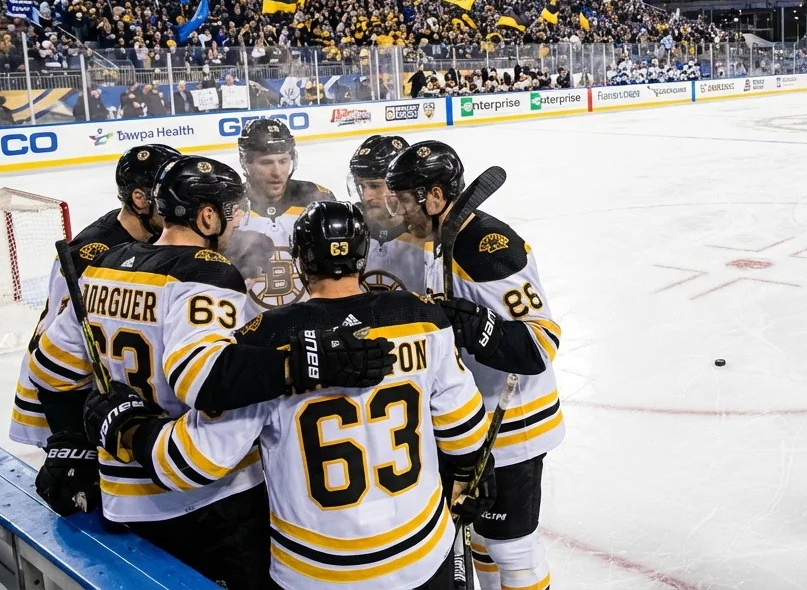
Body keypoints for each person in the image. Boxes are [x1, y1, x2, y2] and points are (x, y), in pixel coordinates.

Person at [82, 201, 492, 590]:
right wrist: (465, 480)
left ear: (298, 261)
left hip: (314, 571)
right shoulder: (421, 319)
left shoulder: (265, 341)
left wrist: (125, 425)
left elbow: (192, 462)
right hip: (424, 553)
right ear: (362, 256)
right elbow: (467, 434)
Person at [28, 157, 393, 586]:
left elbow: (48, 368)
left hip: (123, 495)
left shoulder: (104, 265)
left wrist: (95, 424)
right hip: (210, 501)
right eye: (232, 212)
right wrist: (303, 361)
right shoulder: (208, 273)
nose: (237, 223)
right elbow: (204, 378)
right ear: (207, 216)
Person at [386, 141, 561, 590]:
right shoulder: (444, 241)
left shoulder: (485, 244)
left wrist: (482, 328)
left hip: (515, 426)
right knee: (482, 542)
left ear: (436, 196)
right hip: (479, 424)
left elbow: (541, 342)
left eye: (406, 201)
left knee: (513, 552)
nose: (402, 213)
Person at [9, 144, 183, 448]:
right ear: (140, 200)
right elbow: (63, 346)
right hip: (63, 389)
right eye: (168, 194)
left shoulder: (148, 234)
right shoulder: (96, 252)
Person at [225, 119, 334, 308]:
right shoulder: (228, 207)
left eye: (283, 161)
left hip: (309, 323)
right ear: (245, 162)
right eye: (266, 163)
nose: (277, 172)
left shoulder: (316, 200)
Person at [347, 135, 422, 293]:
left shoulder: (428, 233)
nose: (367, 196)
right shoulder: (352, 228)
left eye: (375, 186)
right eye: (362, 186)